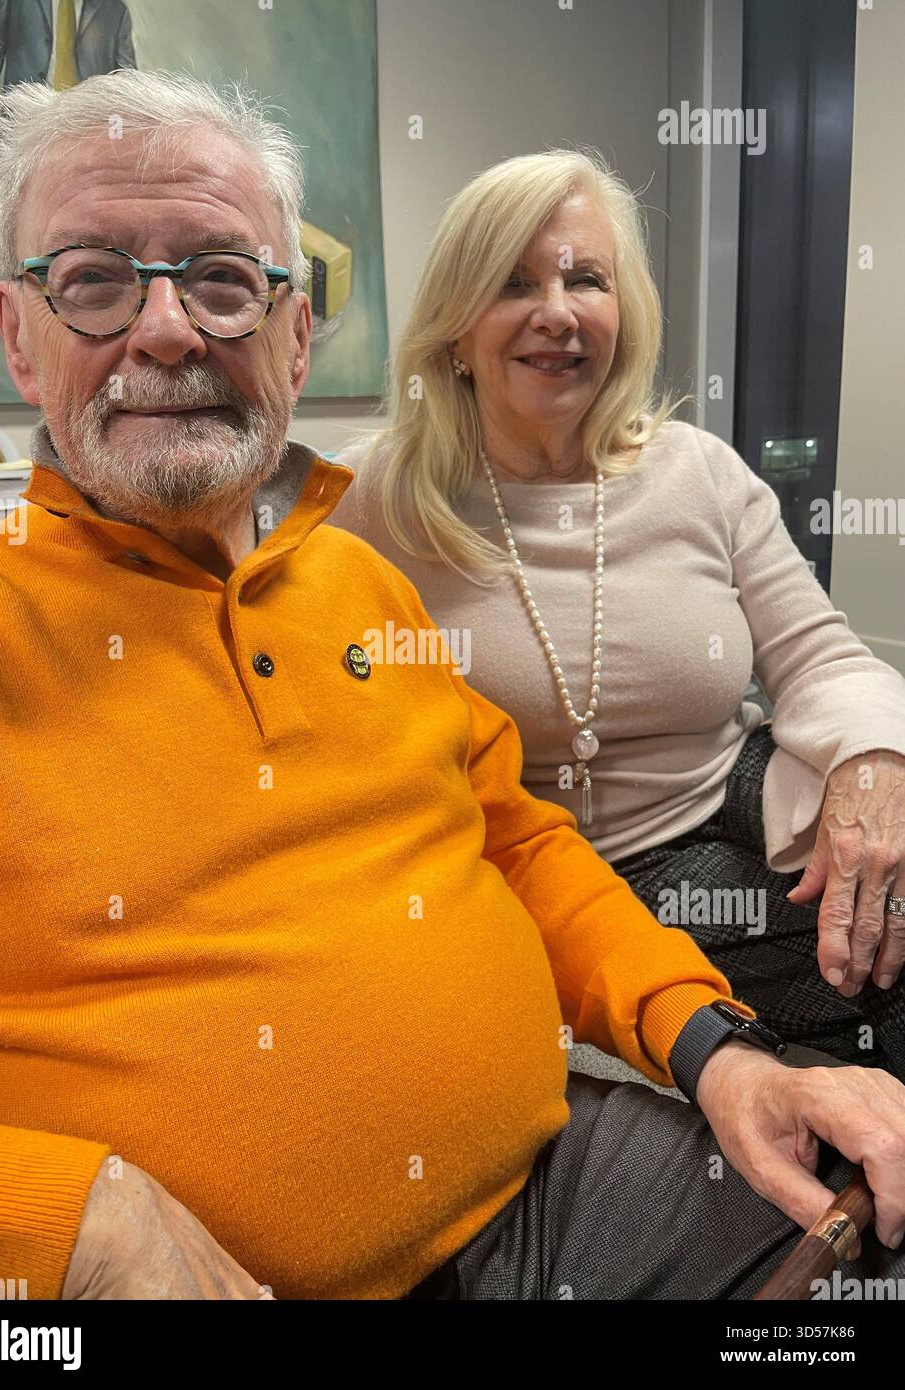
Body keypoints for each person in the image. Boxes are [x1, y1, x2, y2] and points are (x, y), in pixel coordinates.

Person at [0, 69, 905, 1303]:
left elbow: (517, 841)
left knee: (863, 1248)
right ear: (17, 334)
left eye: (224, 280)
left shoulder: (359, 586)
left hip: (560, 1177)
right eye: (95, 281)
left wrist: (723, 1055)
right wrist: (66, 1219)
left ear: (294, 336)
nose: (168, 330)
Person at [328, 147, 905, 1083]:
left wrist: (875, 764)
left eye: (584, 279)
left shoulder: (699, 471)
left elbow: (823, 663)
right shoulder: (369, 500)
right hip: (541, 882)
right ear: (454, 329)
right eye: (513, 282)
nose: (556, 312)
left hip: (740, 810)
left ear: (621, 311)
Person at [0, 0, 137, 142]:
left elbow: (125, 77)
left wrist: (126, 127)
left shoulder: (115, 10)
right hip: (25, 124)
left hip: (87, 130)